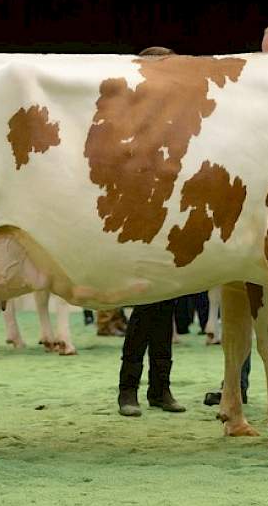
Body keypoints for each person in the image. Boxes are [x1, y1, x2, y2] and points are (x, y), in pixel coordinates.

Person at [116, 46, 186, 417]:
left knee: (166, 306)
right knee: (146, 307)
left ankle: (160, 388)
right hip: (138, 220)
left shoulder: (174, 116)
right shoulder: (129, 114)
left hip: (170, 218)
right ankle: (129, 389)